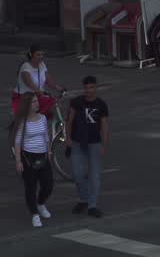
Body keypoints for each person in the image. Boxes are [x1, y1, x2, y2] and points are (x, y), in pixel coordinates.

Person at [66, 75, 109, 217]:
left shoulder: (101, 105)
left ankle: (92, 205)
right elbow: (70, 121)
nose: (89, 90)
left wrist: (104, 144)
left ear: (96, 88)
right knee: (78, 174)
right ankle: (83, 199)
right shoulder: (76, 102)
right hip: (78, 142)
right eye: (86, 88)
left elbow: (104, 126)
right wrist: (68, 138)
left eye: (91, 87)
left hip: (94, 143)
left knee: (95, 176)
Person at [10, 93, 54, 227]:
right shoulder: (22, 122)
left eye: (37, 101)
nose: (37, 104)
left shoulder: (42, 118)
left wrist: (49, 151)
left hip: (43, 155)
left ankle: (41, 203)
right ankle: (34, 214)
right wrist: (18, 161)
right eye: (34, 102)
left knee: (48, 184)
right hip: (28, 157)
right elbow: (17, 142)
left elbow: (46, 136)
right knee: (31, 187)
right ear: (27, 105)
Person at [11, 44, 64, 117]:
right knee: (27, 118)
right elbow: (31, 84)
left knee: (53, 103)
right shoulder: (25, 67)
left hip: (36, 97)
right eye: (38, 55)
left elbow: (48, 80)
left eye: (42, 55)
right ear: (31, 55)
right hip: (23, 98)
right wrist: (42, 93)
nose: (41, 57)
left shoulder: (42, 64)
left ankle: (39, 121)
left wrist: (59, 88)